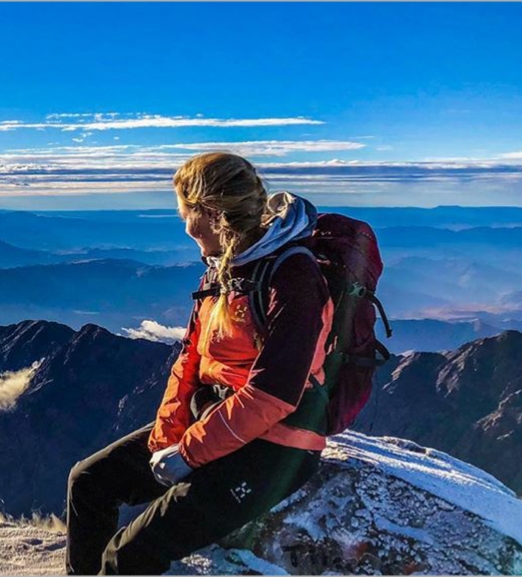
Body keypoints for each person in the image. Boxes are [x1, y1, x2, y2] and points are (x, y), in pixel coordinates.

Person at [65, 152, 335, 575]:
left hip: (276, 445)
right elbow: (191, 358)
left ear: (209, 213)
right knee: (89, 482)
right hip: (215, 419)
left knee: (129, 556)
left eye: (185, 214)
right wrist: (166, 436)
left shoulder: (291, 275)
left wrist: (189, 453)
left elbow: (274, 392)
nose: (185, 227)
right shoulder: (224, 270)